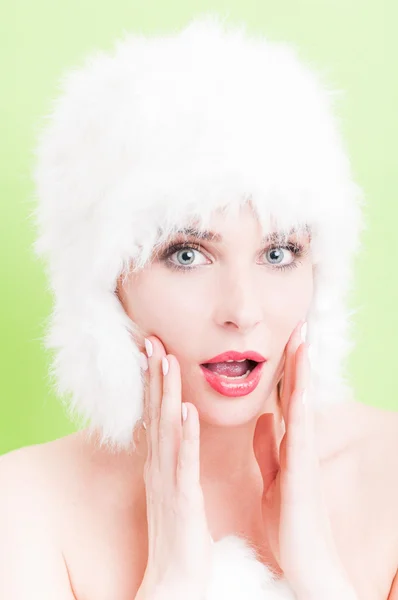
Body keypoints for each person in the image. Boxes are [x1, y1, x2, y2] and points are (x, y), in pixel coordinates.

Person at [1, 13, 397, 600]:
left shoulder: (389, 473)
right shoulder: (26, 504)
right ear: (108, 282)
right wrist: (171, 586)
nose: (242, 310)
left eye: (280, 251)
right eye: (187, 255)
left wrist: (319, 576)